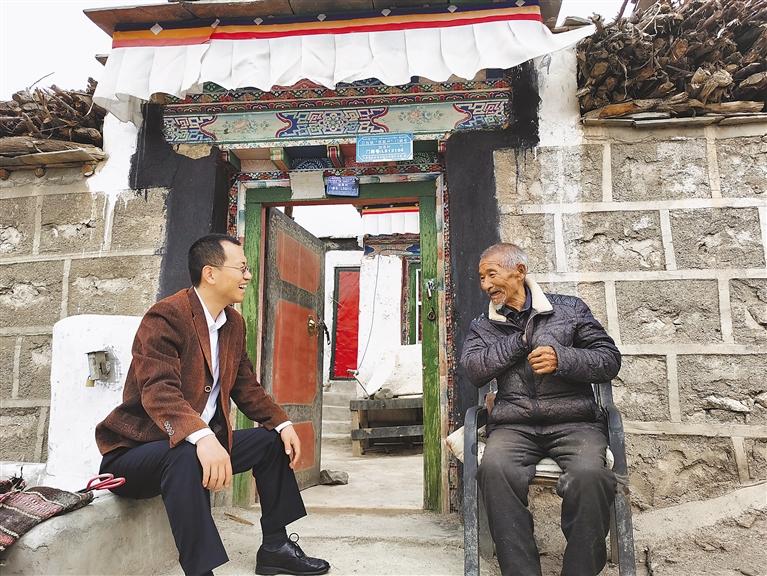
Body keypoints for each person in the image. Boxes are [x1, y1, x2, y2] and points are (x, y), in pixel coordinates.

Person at [96, 233, 330, 576]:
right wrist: (203, 436)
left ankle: (275, 547)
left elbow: (246, 386)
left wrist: (282, 423)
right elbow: (158, 391)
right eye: (242, 268)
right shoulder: (165, 317)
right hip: (136, 454)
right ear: (210, 273)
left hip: (190, 449)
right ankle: (200, 571)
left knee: (270, 441)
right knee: (184, 453)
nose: (249, 275)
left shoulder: (233, 324)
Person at [460, 243, 621, 576]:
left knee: (590, 476)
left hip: (574, 422)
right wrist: (520, 341)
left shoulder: (570, 309)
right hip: (513, 425)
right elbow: (474, 369)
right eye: (481, 277)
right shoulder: (483, 325)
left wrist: (563, 358)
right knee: (495, 470)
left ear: (519, 272)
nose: (486, 285)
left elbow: (608, 359)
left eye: (492, 275)